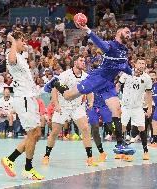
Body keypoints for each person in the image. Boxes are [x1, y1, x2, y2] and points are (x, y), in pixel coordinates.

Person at [49, 21, 132, 151]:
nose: (129, 35)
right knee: (68, 96)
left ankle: (120, 143)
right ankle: (56, 82)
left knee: (117, 110)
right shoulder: (111, 45)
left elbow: (125, 66)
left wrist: (135, 73)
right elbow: (101, 44)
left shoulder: (124, 51)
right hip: (98, 78)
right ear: (118, 33)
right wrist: (88, 30)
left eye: (130, 33)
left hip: (109, 84)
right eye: (126, 32)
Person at [0, 31, 44, 180]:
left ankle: (10, 159)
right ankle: (28, 168)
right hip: (23, 99)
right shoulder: (12, 55)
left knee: (36, 134)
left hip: (30, 98)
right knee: (33, 133)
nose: (25, 43)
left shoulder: (21, 57)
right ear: (16, 42)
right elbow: (11, 59)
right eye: (22, 40)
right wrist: (12, 41)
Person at [42, 55, 98, 166]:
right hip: (63, 106)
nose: (83, 62)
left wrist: (91, 102)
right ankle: (46, 155)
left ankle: (90, 158)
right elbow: (54, 90)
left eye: (84, 61)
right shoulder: (65, 75)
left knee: (86, 129)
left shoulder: (86, 77)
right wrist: (56, 104)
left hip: (78, 107)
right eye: (81, 60)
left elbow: (90, 91)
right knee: (54, 132)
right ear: (75, 62)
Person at [119, 58, 152, 161]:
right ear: (135, 64)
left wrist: (149, 107)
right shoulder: (126, 73)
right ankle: (121, 150)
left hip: (138, 107)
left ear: (145, 66)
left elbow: (148, 93)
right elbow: (118, 85)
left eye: (143, 63)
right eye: (139, 63)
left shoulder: (147, 78)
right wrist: (115, 99)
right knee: (122, 127)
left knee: (142, 128)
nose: (141, 65)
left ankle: (145, 151)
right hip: (125, 106)